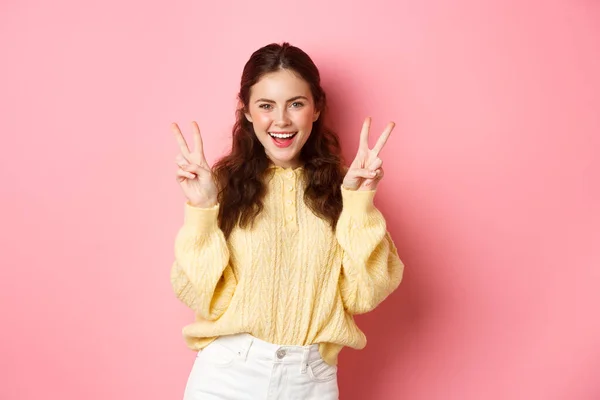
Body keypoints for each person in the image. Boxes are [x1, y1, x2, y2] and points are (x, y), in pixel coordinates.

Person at [170, 42, 404, 399]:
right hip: (227, 375)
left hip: (309, 380)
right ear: (246, 111)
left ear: (316, 108)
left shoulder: (343, 189)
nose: (281, 120)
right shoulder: (221, 187)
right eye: (266, 105)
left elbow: (364, 294)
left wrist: (358, 203)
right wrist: (202, 209)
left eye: (296, 103)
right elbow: (203, 296)